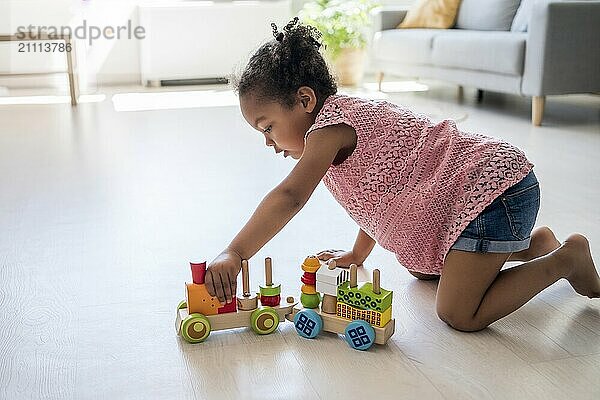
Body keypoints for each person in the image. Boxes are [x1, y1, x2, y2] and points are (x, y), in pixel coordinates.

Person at [204, 18, 599, 331]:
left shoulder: (330, 127)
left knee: (459, 314)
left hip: (495, 189)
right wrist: (358, 254)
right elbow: (380, 198)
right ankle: (533, 244)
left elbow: (289, 197)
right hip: (477, 196)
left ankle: (564, 259)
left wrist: (236, 252)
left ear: (305, 100)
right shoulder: (331, 134)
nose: (269, 142)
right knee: (422, 269)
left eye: (267, 126)